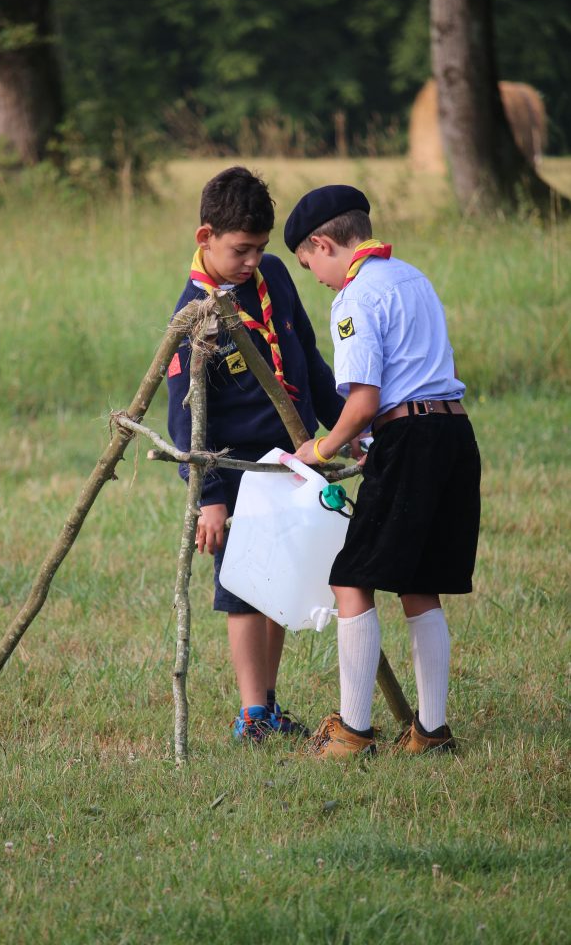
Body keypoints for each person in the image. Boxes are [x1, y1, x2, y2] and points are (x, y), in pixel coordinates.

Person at [283, 185, 481, 756]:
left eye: (309, 263)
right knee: (421, 583)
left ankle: (352, 730)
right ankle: (432, 731)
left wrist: (320, 451)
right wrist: (377, 442)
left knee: (351, 576)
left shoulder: (354, 298)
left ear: (323, 243)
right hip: (451, 434)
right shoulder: (413, 276)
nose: (316, 277)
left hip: (411, 439)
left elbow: (364, 401)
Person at [167, 166, 343, 742]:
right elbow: (183, 414)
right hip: (234, 465)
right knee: (243, 584)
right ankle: (251, 716)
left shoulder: (272, 277)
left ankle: (268, 704)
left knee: (282, 581)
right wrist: (211, 499)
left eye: (259, 248)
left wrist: (341, 427)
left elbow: (308, 359)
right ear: (205, 237)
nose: (251, 261)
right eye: (240, 249)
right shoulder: (195, 313)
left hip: (291, 458)